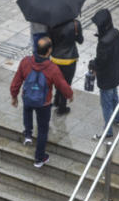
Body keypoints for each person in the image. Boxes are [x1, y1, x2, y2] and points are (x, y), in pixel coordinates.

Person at [10, 37, 74, 169]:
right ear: (49, 50)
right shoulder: (52, 69)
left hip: (27, 98)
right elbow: (62, 85)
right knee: (43, 130)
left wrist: (14, 96)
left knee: (27, 111)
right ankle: (39, 158)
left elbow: (16, 80)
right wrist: (69, 95)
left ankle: (28, 134)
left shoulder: (25, 62)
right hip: (43, 103)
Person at [88, 8, 119, 140]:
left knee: (106, 104)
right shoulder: (116, 34)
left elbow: (101, 62)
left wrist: (93, 64)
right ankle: (117, 119)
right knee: (115, 96)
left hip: (106, 78)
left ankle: (108, 131)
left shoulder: (104, 43)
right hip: (116, 74)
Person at [48, 17, 83, 116]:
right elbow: (80, 40)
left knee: (58, 80)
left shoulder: (52, 23)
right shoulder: (75, 24)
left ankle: (56, 101)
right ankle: (62, 107)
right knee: (66, 83)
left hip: (55, 58)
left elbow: (50, 40)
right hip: (69, 59)